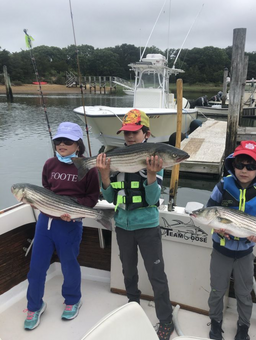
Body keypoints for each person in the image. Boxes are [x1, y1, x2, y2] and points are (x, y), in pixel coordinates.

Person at [96, 109, 174, 340]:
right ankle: (133, 307)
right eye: (126, 133)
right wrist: (104, 175)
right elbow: (110, 199)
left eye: (134, 132)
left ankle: (166, 320)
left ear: (146, 133)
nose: (129, 137)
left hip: (147, 227)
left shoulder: (156, 160)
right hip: (123, 226)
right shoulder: (118, 157)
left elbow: (152, 200)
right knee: (128, 272)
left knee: (156, 275)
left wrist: (151, 175)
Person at [24, 122, 100, 330]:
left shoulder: (88, 168)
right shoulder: (49, 164)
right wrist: (36, 201)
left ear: (78, 145)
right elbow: (46, 189)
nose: (62, 144)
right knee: (36, 267)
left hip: (70, 224)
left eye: (68, 141)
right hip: (45, 223)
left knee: (69, 264)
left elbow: (92, 197)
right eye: (58, 140)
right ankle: (34, 305)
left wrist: (75, 213)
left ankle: (73, 300)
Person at [206, 141, 256, 340]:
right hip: (221, 251)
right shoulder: (222, 186)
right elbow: (208, 212)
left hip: (245, 254)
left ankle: (243, 327)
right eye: (240, 164)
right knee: (217, 290)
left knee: (244, 293)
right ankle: (215, 323)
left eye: (250, 166)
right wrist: (216, 227)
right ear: (232, 165)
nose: (244, 170)